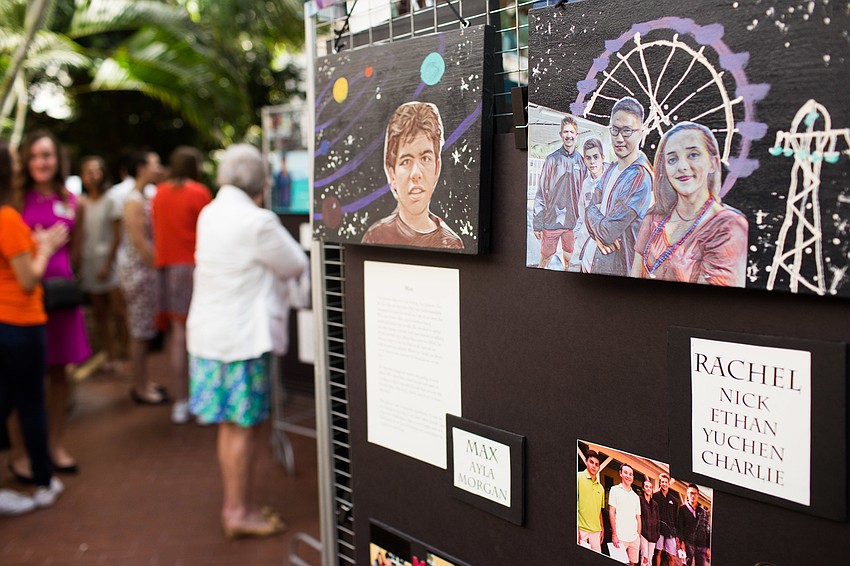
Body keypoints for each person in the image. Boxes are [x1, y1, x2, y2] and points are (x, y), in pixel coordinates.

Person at [186, 144, 307, 538]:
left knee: (230, 427)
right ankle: (238, 512)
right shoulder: (258, 221)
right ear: (262, 182)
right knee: (245, 428)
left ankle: (234, 505)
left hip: (210, 338)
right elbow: (295, 264)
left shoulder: (210, 212)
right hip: (243, 342)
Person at [9, 130, 91, 482]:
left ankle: (55, 445)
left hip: (61, 297)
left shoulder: (74, 201)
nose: (41, 162)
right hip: (24, 299)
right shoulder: (14, 199)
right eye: (35, 156)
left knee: (60, 375)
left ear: (58, 159)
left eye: (48, 155)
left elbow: (76, 251)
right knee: (21, 379)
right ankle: (21, 452)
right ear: (26, 162)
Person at [0, 138, 67, 509]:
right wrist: (43, 249)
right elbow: (28, 280)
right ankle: (43, 482)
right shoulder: (8, 216)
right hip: (20, 324)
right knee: (30, 405)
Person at [631, 122, 748, 286]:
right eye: (672, 159)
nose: (682, 167)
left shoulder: (727, 226)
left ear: (713, 163)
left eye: (693, 155)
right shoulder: (653, 218)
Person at [152, 146, 212, 424]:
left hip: (165, 269)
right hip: (193, 267)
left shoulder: (159, 193)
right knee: (199, 333)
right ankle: (202, 401)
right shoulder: (199, 192)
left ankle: (181, 401)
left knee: (176, 335)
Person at [361, 101, 463, 250]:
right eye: (406, 161)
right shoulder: (375, 237)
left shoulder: (451, 244)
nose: (416, 174)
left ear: (437, 168)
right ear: (392, 175)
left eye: (425, 159)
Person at [584, 97, 653, 276]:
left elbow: (607, 232)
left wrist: (595, 220)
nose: (619, 138)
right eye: (615, 130)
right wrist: (597, 233)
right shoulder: (612, 168)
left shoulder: (638, 177)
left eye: (627, 131)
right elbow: (590, 206)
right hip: (593, 261)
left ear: (641, 133)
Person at [119, 149, 166, 405]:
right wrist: (158, 266)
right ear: (141, 167)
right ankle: (139, 386)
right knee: (139, 333)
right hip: (139, 274)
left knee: (143, 332)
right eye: (154, 162)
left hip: (145, 272)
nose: (158, 167)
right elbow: (139, 241)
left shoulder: (146, 196)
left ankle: (144, 381)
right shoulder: (134, 200)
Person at [78, 156, 127, 372]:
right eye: (88, 171)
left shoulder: (112, 200)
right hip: (89, 263)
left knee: (118, 311)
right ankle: (110, 353)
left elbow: (117, 236)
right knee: (99, 313)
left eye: (96, 170)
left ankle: (126, 351)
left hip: (109, 263)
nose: (93, 175)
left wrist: (108, 263)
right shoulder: (82, 203)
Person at [533, 114, 587, 269]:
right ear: (561, 134)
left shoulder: (582, 163)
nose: (568, 135)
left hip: (572, 223)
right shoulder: (551, 159)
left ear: (577, 135)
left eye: (571, 132)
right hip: (551, 222)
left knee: (570, 263)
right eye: (566, 132)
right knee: (544, 261)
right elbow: (541, 192)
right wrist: (537, 223)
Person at [569, 137, 607, 272]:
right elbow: (581, 214)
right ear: (584, 160)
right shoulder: (585, 184)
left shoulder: (610, 181)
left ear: (602, 157)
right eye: (588, 158)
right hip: (583, 242)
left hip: (603, 244)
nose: (592, 162)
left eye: (596, 157)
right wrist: (576, 234)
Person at [608, 463, 642, 566]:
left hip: (634, 538)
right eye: (625, 473)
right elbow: (611, 512)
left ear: (633, 477)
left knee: (633, 563)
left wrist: (638, 535)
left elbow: (638, 517)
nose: (628, 476)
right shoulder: (614, 490)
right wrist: (614, 534)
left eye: (630, 474)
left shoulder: (636, 497)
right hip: (620, 537)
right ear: (620, 474)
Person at [577, 449, 605, 552]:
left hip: (596, 531)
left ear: (599, 467)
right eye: (591, 462)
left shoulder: (601, 488)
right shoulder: (578, 477)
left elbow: (599, 511)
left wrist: (602, 528)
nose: (594, 466)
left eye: (596, 464)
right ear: (586, 461)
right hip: (581, 529)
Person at [676, 484, 711, 566]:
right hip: (688, 544)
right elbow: (680, 526)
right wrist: (682, 542)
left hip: (701, 546)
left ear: (698, 495)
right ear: (687, 494)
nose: (693, 496)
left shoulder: (703, 512)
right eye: (691, 493)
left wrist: (708, 547)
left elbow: (707, 530)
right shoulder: (683, 509)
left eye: (695, 493)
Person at [652, 472, 680, 566]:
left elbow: (676, 517)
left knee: (671, 556)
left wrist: (676, 534)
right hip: (659, 530)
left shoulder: (674, 500)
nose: (664, 484)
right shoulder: (655, 496)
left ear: (668, 483)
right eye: (662, 482)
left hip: (670, 532)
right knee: (658, 552)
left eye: (666, 482)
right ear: (660, 483)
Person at [639, 478, 661, 566]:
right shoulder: (640, 500)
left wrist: (657, 534)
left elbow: (658, 520)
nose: (648, 488)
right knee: (644, 558)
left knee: (650, 559)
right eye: (646, 487)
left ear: (652, 489)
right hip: (644, 534)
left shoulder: (655, 504)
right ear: (643, 488)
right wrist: (641, 531)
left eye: (650, 487)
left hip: (653, 536)